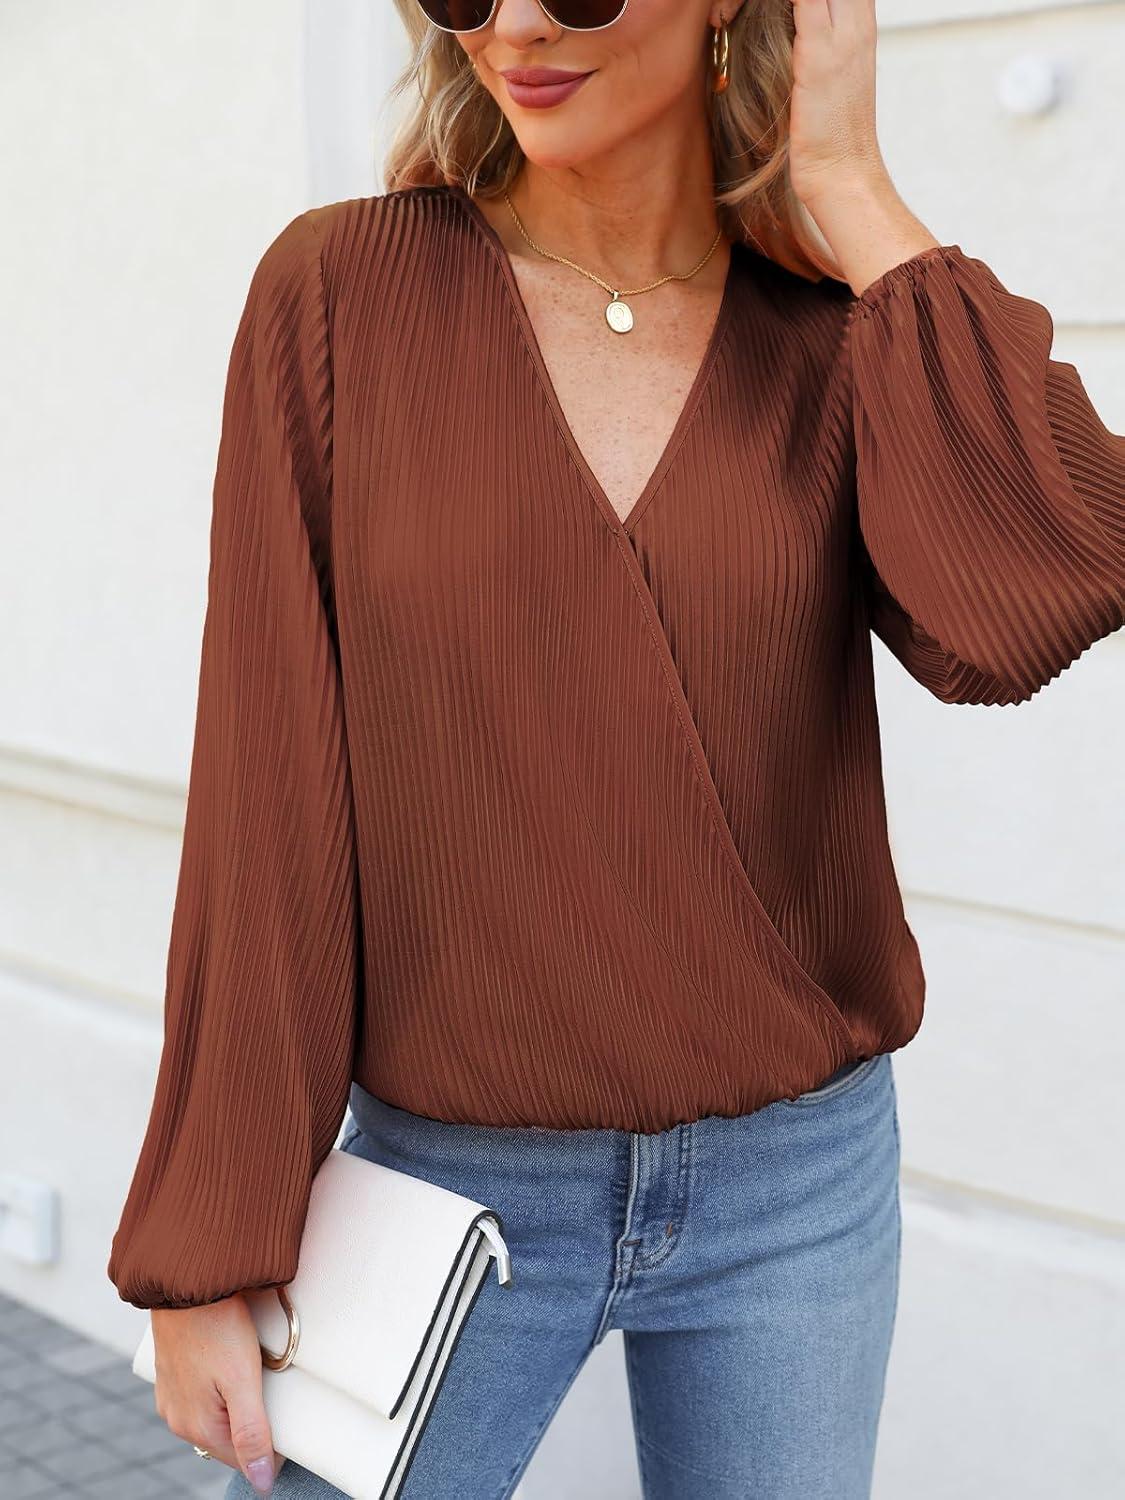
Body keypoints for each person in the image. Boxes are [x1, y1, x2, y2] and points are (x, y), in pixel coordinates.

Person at [106, 2, 1125, 1497]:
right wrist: (214, 1236)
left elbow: (1032, 596)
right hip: (444, 1187)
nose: (515, 25)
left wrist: (850, 187)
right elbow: (265, 788)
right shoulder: (340, 293)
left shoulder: (831, 328)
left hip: (796, 1189)